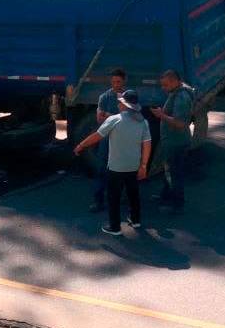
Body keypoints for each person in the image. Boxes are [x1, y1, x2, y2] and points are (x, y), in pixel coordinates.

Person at [74, 89, 152, 236]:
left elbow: (96, 136)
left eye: (120, 102)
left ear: (124, 104)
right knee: (133, 194)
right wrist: (143, 165)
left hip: (116, 167)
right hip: (134, 166)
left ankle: (115, 227)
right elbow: (147, 144)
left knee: (113, 197)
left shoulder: (114, 120)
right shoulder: (143, 122)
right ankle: (136, 220)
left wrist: (81, 145)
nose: (118, 104)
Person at [151, 69, 194, 214]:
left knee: (174, 173)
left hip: (176, 142)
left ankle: (177, 204)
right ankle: (166, 195)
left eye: (166, 85)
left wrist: (161, 115)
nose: (163, 88)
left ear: (176, 81)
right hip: (172, 141)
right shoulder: (176, 92)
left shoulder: (181, 97)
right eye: (162, 85)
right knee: (169, 170)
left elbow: (180, 123)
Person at [90, 68, 128, 213]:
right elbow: (99, 118)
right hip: (107, 139)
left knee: (123, 170)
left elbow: (131, 118)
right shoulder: (104, 97)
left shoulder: (129, 97)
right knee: (102, 169)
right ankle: (98, 201)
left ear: (124, 81)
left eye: (118, 81)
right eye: (113, 82)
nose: (115, 85)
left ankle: (122, 197)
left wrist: (108, 115)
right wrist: (117, 117)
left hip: (123, 140)